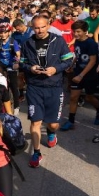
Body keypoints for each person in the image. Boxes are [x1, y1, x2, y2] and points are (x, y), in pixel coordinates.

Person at [20, 15, 73, 168]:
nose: (40, 30)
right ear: (32, 27)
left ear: (48, 25)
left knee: (53, 124)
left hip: (54, 86)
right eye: (36, 27)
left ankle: (51, 132)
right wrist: (30, 68)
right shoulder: (27, 43)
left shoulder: (58, 41)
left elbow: (68, 60)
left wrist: (55, 69)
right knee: (35, 121)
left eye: (43, 27)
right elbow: (22, 62)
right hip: (34, 87)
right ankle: (36, 153)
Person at [60, 21, 99, 131]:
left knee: (89, 97)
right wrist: (72, 65)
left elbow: (92, 61)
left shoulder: (91, 43)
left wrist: (81, 75)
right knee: (73, 97)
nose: (76, 34)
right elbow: (78, 55)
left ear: (85, 31)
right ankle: (71, 121)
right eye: (74, 31)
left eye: (78, 31)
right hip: (78, 71)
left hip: (90, 74)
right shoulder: (77, 42)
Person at [0, 22, 21, 113]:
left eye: (5, 32)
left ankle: (16, 105)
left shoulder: (13, 42)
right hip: (1, 65)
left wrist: (17, 62)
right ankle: (1, 102)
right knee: (0, 84)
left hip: (11, 64)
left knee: (13, 85)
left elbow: (18, 54)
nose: (3, 34)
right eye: (1, 32)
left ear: (9, 32)